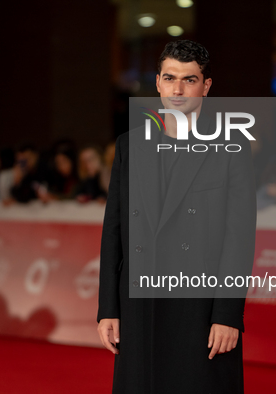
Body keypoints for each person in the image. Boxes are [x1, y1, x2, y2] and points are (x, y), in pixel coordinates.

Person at [97, 40, 256, 393]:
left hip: (198, 309)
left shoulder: (232, 147)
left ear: (206, 86)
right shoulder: (129, 146)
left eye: (189, 79)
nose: (178, 89)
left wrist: (227, 315)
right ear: (157, 83)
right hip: (139, 307)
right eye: (170, 78)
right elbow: (114, 230)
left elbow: (239, 238)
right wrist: (108, 308)